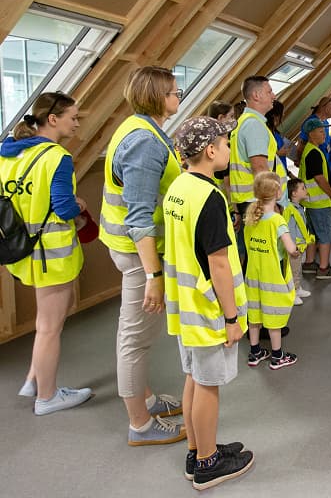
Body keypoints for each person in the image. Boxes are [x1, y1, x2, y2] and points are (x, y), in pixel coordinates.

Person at [163, 116, 253, 489]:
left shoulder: (178, 187)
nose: (230, 150)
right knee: (208, 384)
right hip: (207, 308)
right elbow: (218, 264)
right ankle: (208, 462)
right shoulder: (210, 198)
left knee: (194, 377)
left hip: (184, 304)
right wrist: (231, 318)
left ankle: (197, 449)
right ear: (211, 150)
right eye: (226, 143)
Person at [100, 66, 185, 446]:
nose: (178, 96)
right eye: (174, 92)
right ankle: (140, 424)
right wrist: (154, 276)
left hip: (133, 250)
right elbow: (138, 218)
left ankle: (146, 399)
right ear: (157, 97)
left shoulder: (139, 127)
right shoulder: (144, 142)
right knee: (134, 338)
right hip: (139, 256)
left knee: (136, 335)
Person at [1, 92, 92, 415]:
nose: (76, 124)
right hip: (51, 255)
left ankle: (33, 379)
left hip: (22, 250)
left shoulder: (8, 155)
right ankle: (47, 397)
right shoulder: (56, 158)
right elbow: (64, 209)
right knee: (50, 327)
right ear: (52, 119)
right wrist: (79, 205)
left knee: (46, 322)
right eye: (72, 118)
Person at [243, 171, 298, 369]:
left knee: (254, 315)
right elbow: (291, 249)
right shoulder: (277, 220)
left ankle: (255, 352)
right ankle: (277, 356)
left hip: (253, 276)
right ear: (277, 192)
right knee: (274, 317)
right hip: (273, 277)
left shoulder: (251, 218)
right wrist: (297, 251)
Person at [229, 76, 280, 266]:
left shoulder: (245, 122)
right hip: (256, 201)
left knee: (253, 257)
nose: (273, 96)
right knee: (261, 260)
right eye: (269, 91)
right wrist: (271, 204)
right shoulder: (253, 125)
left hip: (248, 201)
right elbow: (259, 167)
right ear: (256, 95)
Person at [298, 119, 331, 280]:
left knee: (312, 233)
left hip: (311, 203)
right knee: (325, 235)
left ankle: (309, 263)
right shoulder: (314, 153)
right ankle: (324, 268)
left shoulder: (310, 150)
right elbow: (319, 178)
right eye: (321, 131)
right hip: (319, 203)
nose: (324, 134)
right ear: (311, 134)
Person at [282, 178, 314, 303]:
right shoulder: (291, 210)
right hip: (295, 247)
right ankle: (292, 292)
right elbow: (290, 230)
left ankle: (297, 287)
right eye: (303, 188)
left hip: (299, 246)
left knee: (297, 268)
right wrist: (292, 246)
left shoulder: (299, 208)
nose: (306, 190)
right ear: (294, 193)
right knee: (293, 270)